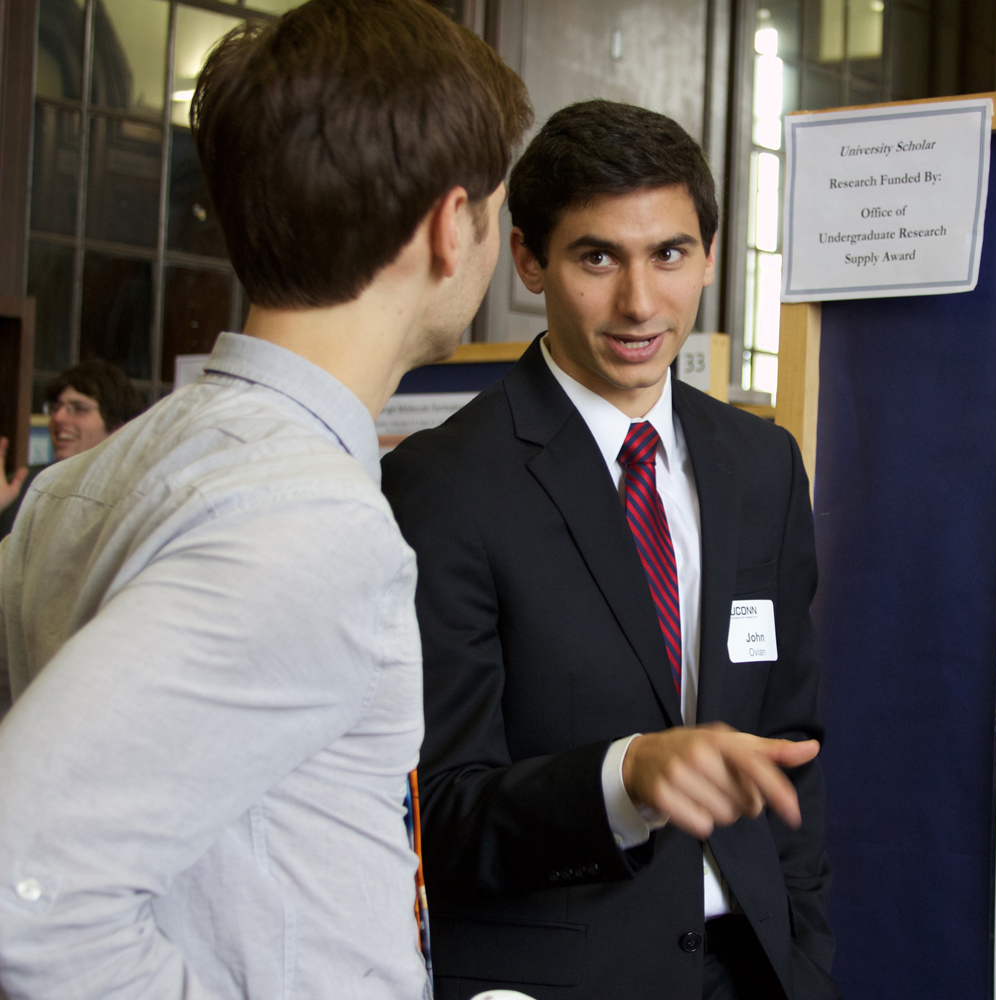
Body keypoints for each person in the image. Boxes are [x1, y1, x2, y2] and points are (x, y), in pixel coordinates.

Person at [0, 1, 530, 997]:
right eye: (496, 211)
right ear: (451, 227)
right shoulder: (307, 519)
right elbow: (22, 887)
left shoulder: (77, 485)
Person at [382, 100, 838, 1000]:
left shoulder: (763, 464)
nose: (639, 302)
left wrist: (808, 956)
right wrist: (624, 776)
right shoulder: (444, 484)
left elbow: (791, 738)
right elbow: (436, 812)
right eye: (598, 257)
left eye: (669, 254)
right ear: (527, 260)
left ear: (709, 255)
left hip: (753, 970)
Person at [0, 359, 145, 536]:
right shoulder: (24, 486)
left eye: (79, 408)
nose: (58, 418)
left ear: (118, 425)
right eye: (55, 407)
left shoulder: (135, 493)